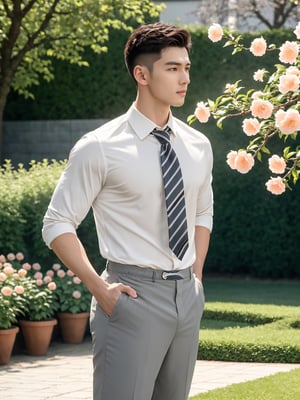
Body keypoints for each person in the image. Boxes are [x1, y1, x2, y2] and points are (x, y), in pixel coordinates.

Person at [42, 22, 213, 400]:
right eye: (172, 68)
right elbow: (56, 223)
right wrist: (100, 289)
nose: (184, 77)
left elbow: (202, 212)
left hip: (187, 296)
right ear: (142, 74)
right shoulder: (99, 146)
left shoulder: (198, 144)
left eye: (186, 67)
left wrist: (196, 277)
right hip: (130, 298)